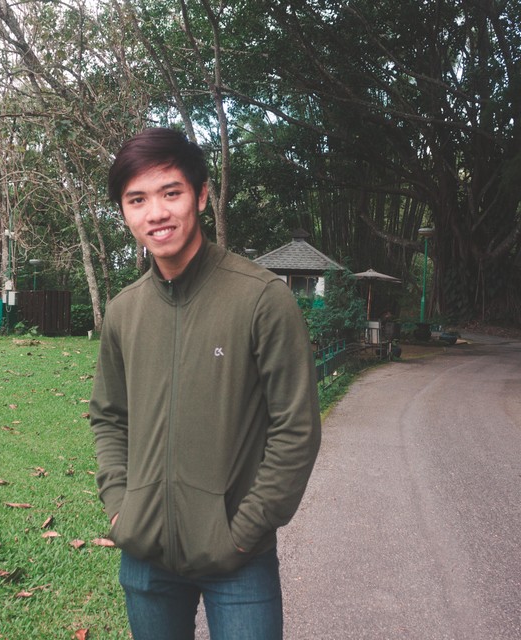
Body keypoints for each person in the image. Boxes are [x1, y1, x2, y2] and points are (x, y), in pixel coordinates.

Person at [90, 127, 321, 640]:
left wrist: (244, 531)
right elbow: (109, 416)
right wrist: (121, 509)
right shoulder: (124, 311)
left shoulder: (261, 299)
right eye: (137, 199)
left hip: (238, 560)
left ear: (201, 195)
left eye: (170, 192)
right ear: (124, 212)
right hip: (146, 558)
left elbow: (295, 429)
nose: (156, 213)